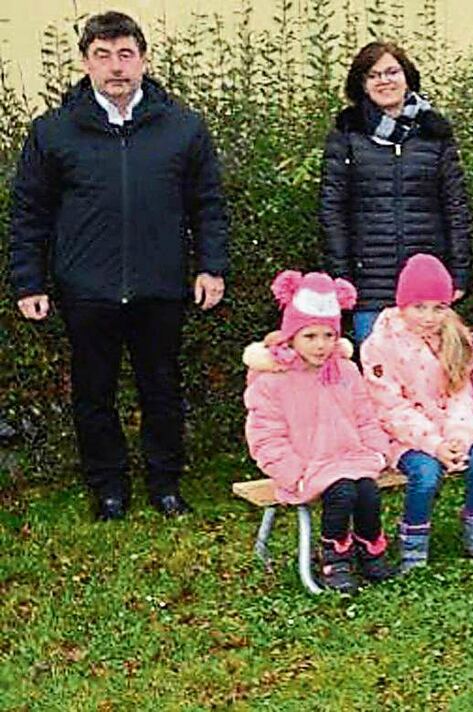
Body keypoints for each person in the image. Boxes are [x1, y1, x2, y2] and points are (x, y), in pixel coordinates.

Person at [8, 11, 228, 520]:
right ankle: (108, 489)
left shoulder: (183, 128)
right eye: (102, 55)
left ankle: (166, 484)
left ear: (144, 59)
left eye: (125, 54)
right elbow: (30, 211)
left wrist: (210, 266)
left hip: (161, 284)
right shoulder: (53, 131)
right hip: (86, 288)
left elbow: (208, 204)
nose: (116, 67)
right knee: (94, 395)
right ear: (85, 62)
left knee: (163, 388)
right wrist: (28, 281)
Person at [242, 271, 398, 593]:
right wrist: (293, 473)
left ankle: (370, 549)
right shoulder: (273, 380)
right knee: (341, 492)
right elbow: (266, 437)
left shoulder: (346, 371)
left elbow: (365, 416)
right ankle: (334, 554)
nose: (321, 345)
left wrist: (378, 451)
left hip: (352, 457)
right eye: (310, 336)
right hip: (308, 467)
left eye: (328, 335)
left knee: (366, 491)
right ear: (291, 337)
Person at [321, 40, 473, 345]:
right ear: (362, 84)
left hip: (427, 286)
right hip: (370, 288)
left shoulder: (436, 133)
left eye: (392, 71)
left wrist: (459, 273)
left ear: (407, 77)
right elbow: (332, 210)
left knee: (432, 380)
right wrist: (342, 276)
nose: (385, 80)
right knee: (378, 384)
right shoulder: (346, 135)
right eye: (374, 75)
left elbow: (456, 206)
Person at [360, 254, 473, 570]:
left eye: (439, 308)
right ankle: (413, 547)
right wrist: (434, 444)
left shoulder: (455, 338)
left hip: (453, 432)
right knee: (425, 474)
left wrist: (458, 437)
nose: (429, 317)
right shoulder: (379, 344)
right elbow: (390, 407)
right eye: (419, 307)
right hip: (404, 437)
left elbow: (461, 394)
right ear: (402, 305)